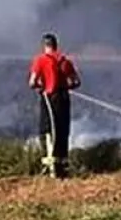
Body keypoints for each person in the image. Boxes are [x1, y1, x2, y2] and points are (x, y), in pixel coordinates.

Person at [28, 33, 82, 178]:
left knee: (47, 131)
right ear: (56, 45)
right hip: (63, 99)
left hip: (48, 99)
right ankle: (62, 167)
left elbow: (32, 82)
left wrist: (40, 86)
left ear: (45, 46)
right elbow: (76, 82)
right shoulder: (65, 61)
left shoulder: (40, 60)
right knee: (62, 131)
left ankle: (49, 167)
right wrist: (67, 86)